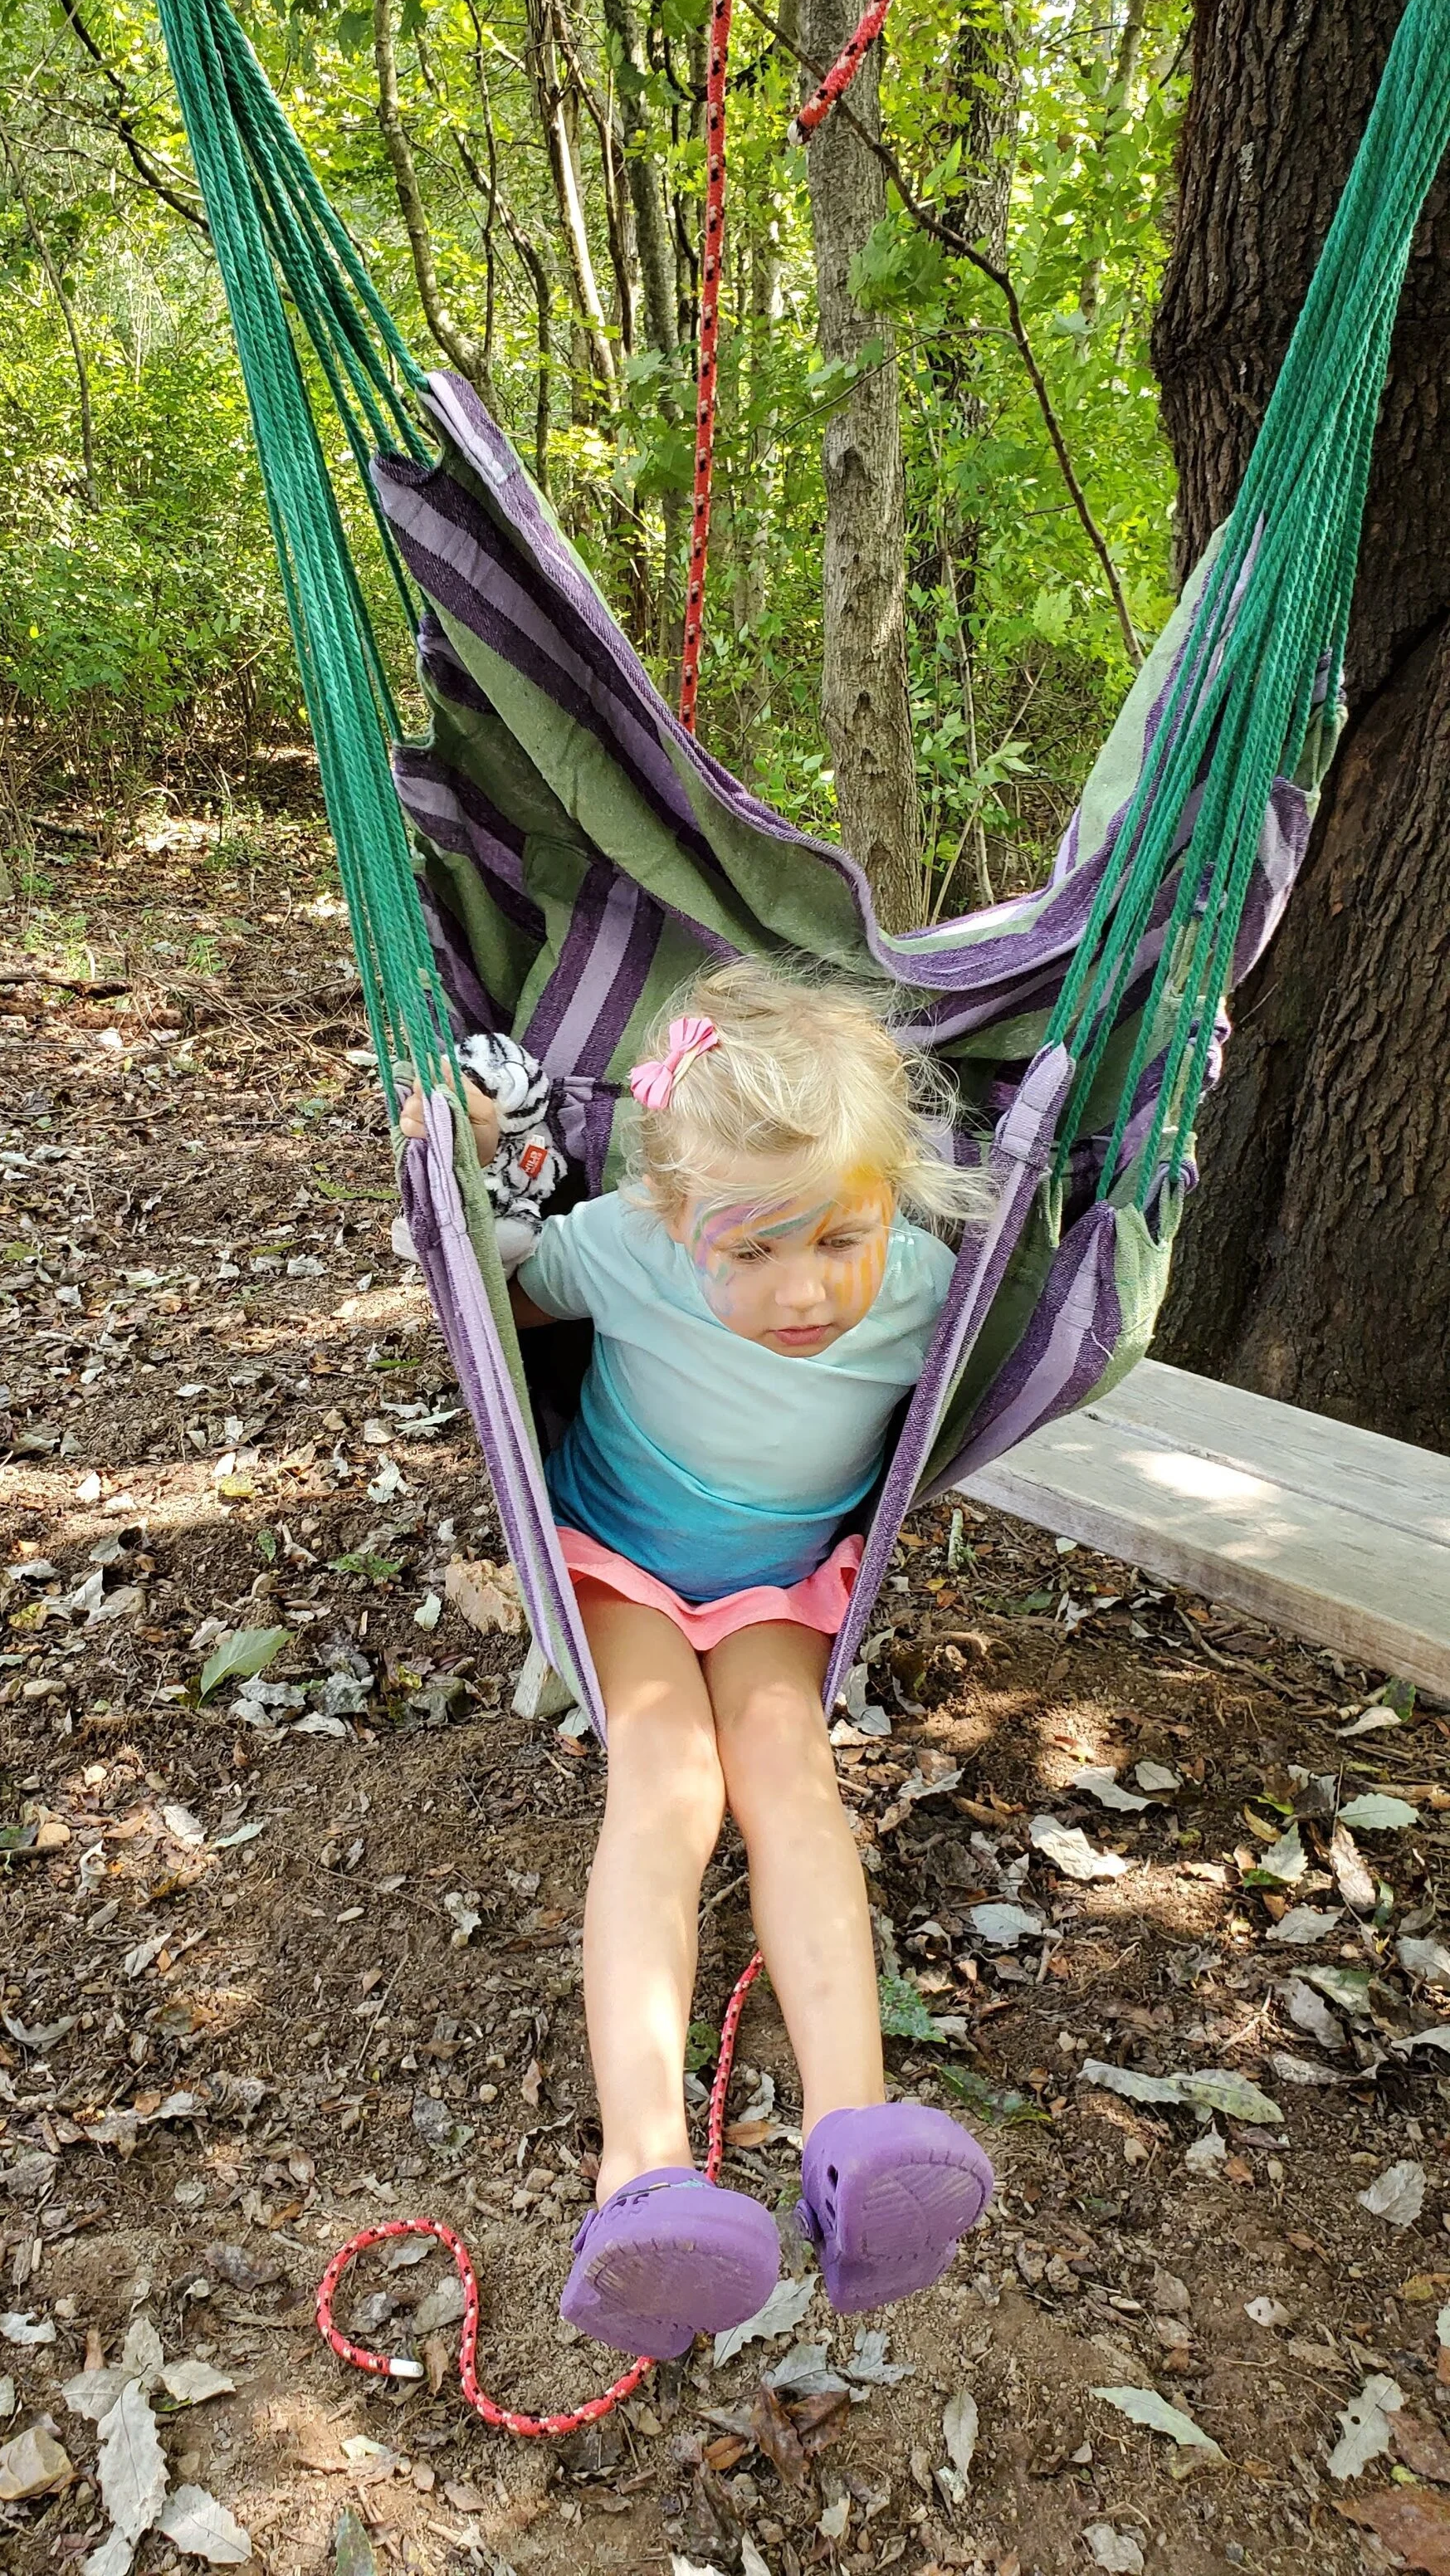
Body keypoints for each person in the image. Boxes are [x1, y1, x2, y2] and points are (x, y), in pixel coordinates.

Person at [403, 959, 996, 2358]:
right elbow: (496, 1300)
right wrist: (462, 1173)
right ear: (680, 1220)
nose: (805, 1293)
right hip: (620, 1562)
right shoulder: (623, 1241)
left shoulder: (924, 1285)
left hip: (787, 1582)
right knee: (669, 1785)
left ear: (890, 1199)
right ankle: (648, 2173)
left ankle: (860, 2137)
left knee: (792, 1779)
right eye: (751, 1251)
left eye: (837, 1238)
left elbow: (1047, 1327)